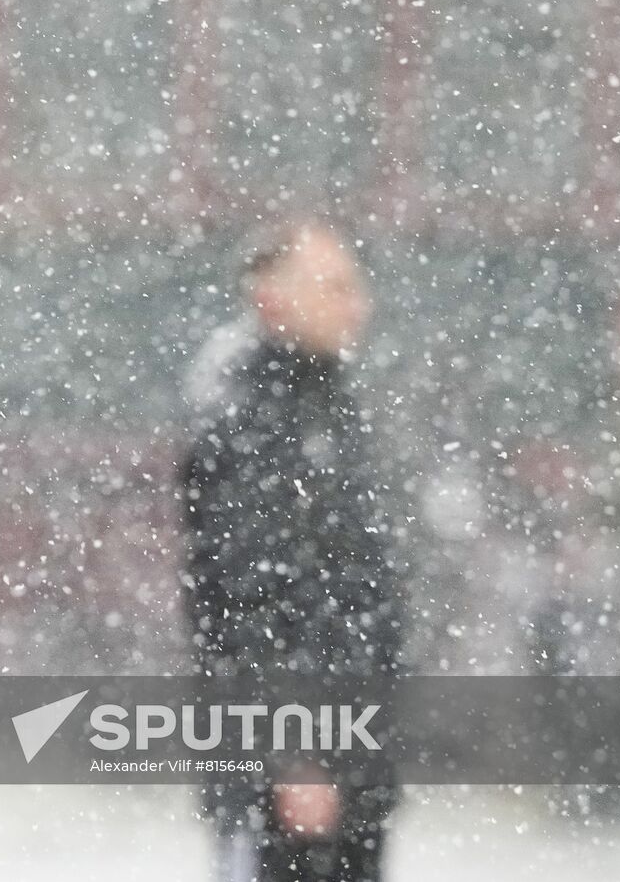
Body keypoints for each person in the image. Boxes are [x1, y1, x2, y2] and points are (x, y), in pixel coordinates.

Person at [180, 222, 406, 882]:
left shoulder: (323, 398)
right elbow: (240, 597)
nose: (357, 303)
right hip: (291, 772)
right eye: (335, 285)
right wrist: (292, 754)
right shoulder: (248, 411)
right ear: (271, 299)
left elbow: (351, 584)